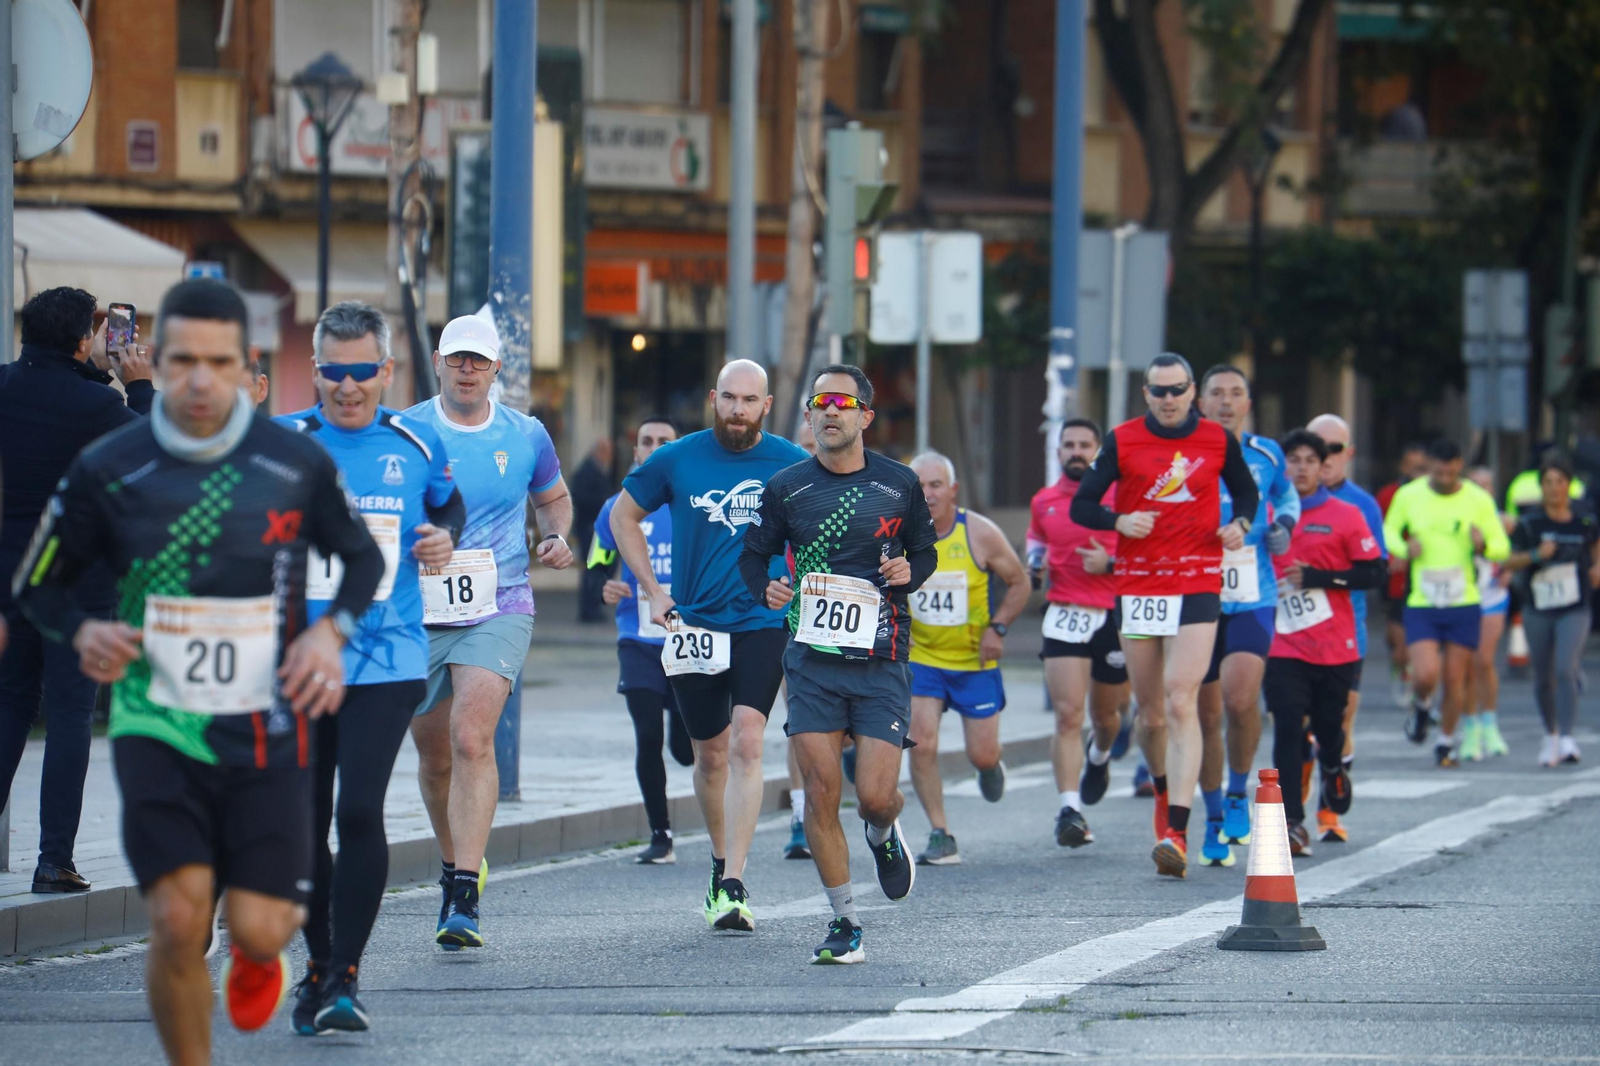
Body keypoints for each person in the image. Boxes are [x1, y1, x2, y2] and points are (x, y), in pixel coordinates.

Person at [10, 278, 383, 1062]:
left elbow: (359, 560)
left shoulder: (292, 463)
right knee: (179, 922)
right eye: (183, 361)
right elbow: (36, 584)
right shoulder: (110, 464)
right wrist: (79, 629)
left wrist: (328, 637)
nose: (202, 380)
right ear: (153, 361)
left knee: (257, 924)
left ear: (245, 367)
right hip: (159, 718)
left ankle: (259, 953)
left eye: (220, 361)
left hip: (269, 724)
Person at [277, 303, 465, 1033]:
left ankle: (346, 975)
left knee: (357, 811)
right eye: (333, 372)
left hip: (388, 659)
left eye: (363, 372)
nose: (347, 388)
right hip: (296, 661)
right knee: (301, 825)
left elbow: (450, 511)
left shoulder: (417, 444)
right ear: (315, 369)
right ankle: (318, 964)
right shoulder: (281, 443)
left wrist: (439, 540)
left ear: (387, 371)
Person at [738, 365, 938, 963]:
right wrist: (767, 588)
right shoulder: (787, 487)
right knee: (823, 792)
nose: (830, 411)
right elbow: (755, 556)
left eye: (842, 403)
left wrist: (910, 573)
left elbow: (924, 552)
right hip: (811, 658)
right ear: (808, 415)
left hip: (880, 658)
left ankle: (882, 832)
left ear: (865, 417)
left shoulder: (900, 484)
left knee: (875, 796)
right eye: (819, 402)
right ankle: (845, 921)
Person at [609, 359, 808, 932]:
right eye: (728, 399)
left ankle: (736, 882)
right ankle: (720, 865)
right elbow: (625, 517)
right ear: (713, 400)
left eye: (749, 401)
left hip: (760, 622)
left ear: (766, 407)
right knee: (710, 754)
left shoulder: (792, 465)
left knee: (749, 740)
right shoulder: (679, 457)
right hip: (693, 624)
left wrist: (792, 583)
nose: (738, 410)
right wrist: (652, 589)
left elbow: (820, 533)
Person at [404, 314, 574, 950]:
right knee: (434, 754)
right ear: (440, 363)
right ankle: (455, 865)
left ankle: (463, 894)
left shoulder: (524, 434)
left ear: (497, 368)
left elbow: (553, 498)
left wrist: (556, 534)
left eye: (479, 361)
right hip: (419, 609)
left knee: (472, 737)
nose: (468, 370)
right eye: (458, 360)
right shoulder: (408, 431)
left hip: (499, 602)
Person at [1070, 353, 1259, 878]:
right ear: (1146, 394)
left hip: (1198, 579)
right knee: (1151, 714)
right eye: (1159, 391)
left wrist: (1240, 522)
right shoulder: (1124, 439)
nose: (1169, 400)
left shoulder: (1217, 441)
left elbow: (1246, 490)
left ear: (1192, 392)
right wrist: (1118, 520)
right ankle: (1162, 793)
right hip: (1140, 585)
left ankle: (1177, 830)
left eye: (1178, 390)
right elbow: (1081, 506)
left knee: (1182, 699)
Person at [0, 286, 155, 894]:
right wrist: (136, 385)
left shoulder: (7, 386)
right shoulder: (99, 407)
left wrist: (91, 375)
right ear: (81, 340)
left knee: (10, 704)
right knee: (69, 713)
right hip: (79, 583)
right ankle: (54, 860)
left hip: (11, 574)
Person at [1194, 366, 1298, 868]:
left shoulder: (1266, 453)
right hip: (1195, 592)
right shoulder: (1185, 454)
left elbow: (1286, 495)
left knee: (1240, 698)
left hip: (1253, 592)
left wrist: (1283, 525)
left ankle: (1238, 791)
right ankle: (1213, 815)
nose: (1227, 401)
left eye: (1236, 394)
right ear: (1201, 401)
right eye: (1217, 393)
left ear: (1248, 402)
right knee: (1206, 713)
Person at [1264, 429, 1387, 855]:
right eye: (1292, 459)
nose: (1300, 467)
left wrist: (1318, 578)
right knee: (1286, 727)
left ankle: (1333, 766)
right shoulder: (1264, 513)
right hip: (1282, 643)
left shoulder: (1346, 513)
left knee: (1327, 729)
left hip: (1335, 644)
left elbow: (1374, 573)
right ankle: (1293, 822)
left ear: (1321, 467)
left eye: (1309, 460)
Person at [905, 451, 1030, 864]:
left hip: (974, 662)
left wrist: (999, 627)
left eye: (935, 485)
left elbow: (1019, 583)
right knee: (920, 745)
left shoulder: (980, 533)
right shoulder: (900, 535)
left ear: (953, 490)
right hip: (923, 658)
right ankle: (941, 833)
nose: (927, 493)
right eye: (919, 485)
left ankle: (991, 767)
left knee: (982, 754)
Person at [589, 416, 694, 864]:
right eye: (645, 441)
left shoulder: (696, 504)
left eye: (663, 442)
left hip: (691, 641)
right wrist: (603, 586)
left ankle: (686, 733)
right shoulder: (616, 506)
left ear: (678, 449)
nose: (653, 448)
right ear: (635, 453)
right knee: (647, 733)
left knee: (688, 749)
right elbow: (598, 562)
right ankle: (660, 834)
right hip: (638, 639)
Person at [1026, 418, 1130, 849]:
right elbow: (1036, 538)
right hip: (1066, 611)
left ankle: (1100, 756)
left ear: (1098, 453)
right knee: (1069, 715)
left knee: (1106, 719)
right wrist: (1034, 561)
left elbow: (1146, 556)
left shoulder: (1118, 499)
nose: (1076, 452)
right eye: (1068, 445)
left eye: (1085, 445)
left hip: (1113, 615)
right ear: (1058, 453)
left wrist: (1108, 565)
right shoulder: (1045, 501)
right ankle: (1069, 809)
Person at [1382, 439, 1510, 767]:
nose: (1446, 474)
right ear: (1430, 467)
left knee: (1455, 678)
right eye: (1439, 469)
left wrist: (1484, 546)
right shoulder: (1410, 496)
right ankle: (1423, 706)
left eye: (1452, 468)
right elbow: (1389, 531)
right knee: (1426, 674)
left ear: (1459, 466)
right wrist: (1402, 548)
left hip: (1463, 599)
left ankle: (1445, 741)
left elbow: (1501, 546)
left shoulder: (1477, 499)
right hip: (1423, 600)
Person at [1304, 413, 1389, 843]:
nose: (1325, 456)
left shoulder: (1362, 505)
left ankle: (1328, 810)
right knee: (1297, 721)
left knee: (1338, 718)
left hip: (1346, 628)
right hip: (1292, 630)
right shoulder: (1284, 499)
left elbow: (1377, 568)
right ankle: (1292, 817)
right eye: (1316, 446)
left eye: (1334, 449)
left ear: (1347, 455)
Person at [1501, 452, 1599, 767]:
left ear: (1568, 486)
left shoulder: (1584, 520)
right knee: (1544, 676)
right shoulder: (1530, 522)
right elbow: (1509, 561)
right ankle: (1551, 735)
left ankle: (1568, 738)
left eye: (1559, 482)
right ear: (1541, 486)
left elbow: (1596, 547)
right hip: (1538, 605)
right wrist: (1535, 554)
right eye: (1548, 482)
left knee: (1564, 668)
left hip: (1575, 605)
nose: (1553, 488)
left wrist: (1597, 567)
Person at [1460, 466, 1512, 763]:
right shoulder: (1456, 516)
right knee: (1465, 664)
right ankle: (1470, 727)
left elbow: (1513, 554)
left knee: (1484, 660)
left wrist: (1507, 568)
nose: (1482, 489)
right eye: (1476, 484)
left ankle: (1490, 722)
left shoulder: (1503, 521)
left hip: (1492, 595)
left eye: (1488, 485)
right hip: (1462, 596)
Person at [1377, 443, 1428, 706]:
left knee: (1422, 643)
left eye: (1422, 467)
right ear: (1402, 467)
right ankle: (1400, 666)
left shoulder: (1434, 497)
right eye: (1412, 466)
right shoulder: (1388, 495)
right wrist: (1392, 554)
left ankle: (1422, 693)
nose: (1417, 472)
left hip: (1428, 577)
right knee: (1399, 643)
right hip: (1397, 577)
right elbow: (1379, 530)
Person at [572, 438, 617, 622]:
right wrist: (605, 501)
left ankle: (593, 607)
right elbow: (581, 499)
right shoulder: (587, 472)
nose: (609, 456)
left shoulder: (599, 471)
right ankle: (589, 610)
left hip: (597, 530)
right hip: (591, 530)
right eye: (606, 451)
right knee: (594, 569)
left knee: (602, 568)